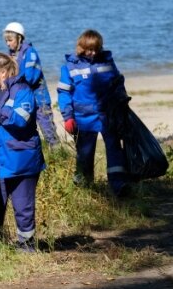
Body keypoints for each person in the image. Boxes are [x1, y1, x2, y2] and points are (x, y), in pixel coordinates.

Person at [0, 52, 46, 252]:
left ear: (4, 72)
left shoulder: (23, 91)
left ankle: (26, 246)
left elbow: (21, 120)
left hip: (21, 159)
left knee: (22, 206)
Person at [56, 29, 130, 197]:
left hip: (108, 115)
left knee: (114, 149)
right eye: (89, 49)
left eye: (96, 49)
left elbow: (118, 84)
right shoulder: (70, 67)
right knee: (85, 153)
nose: (93, 53)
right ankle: (84, 187)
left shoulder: (107, 62)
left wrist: (122, 103)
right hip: (83, 119)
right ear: (81, 47)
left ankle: (118, 185)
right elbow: (64, 93)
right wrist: (68, 117)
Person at [3, 22, 60, 148]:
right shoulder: (10, 55)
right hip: (23, 98)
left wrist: (14, 81)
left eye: (10, 40)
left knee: (47, 127)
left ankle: (57, 152)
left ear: (19, 38)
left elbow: (31, 77)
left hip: (39, 97)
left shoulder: (30, 53)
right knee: (27, 129)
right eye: (6, 41)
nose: (8, 43)